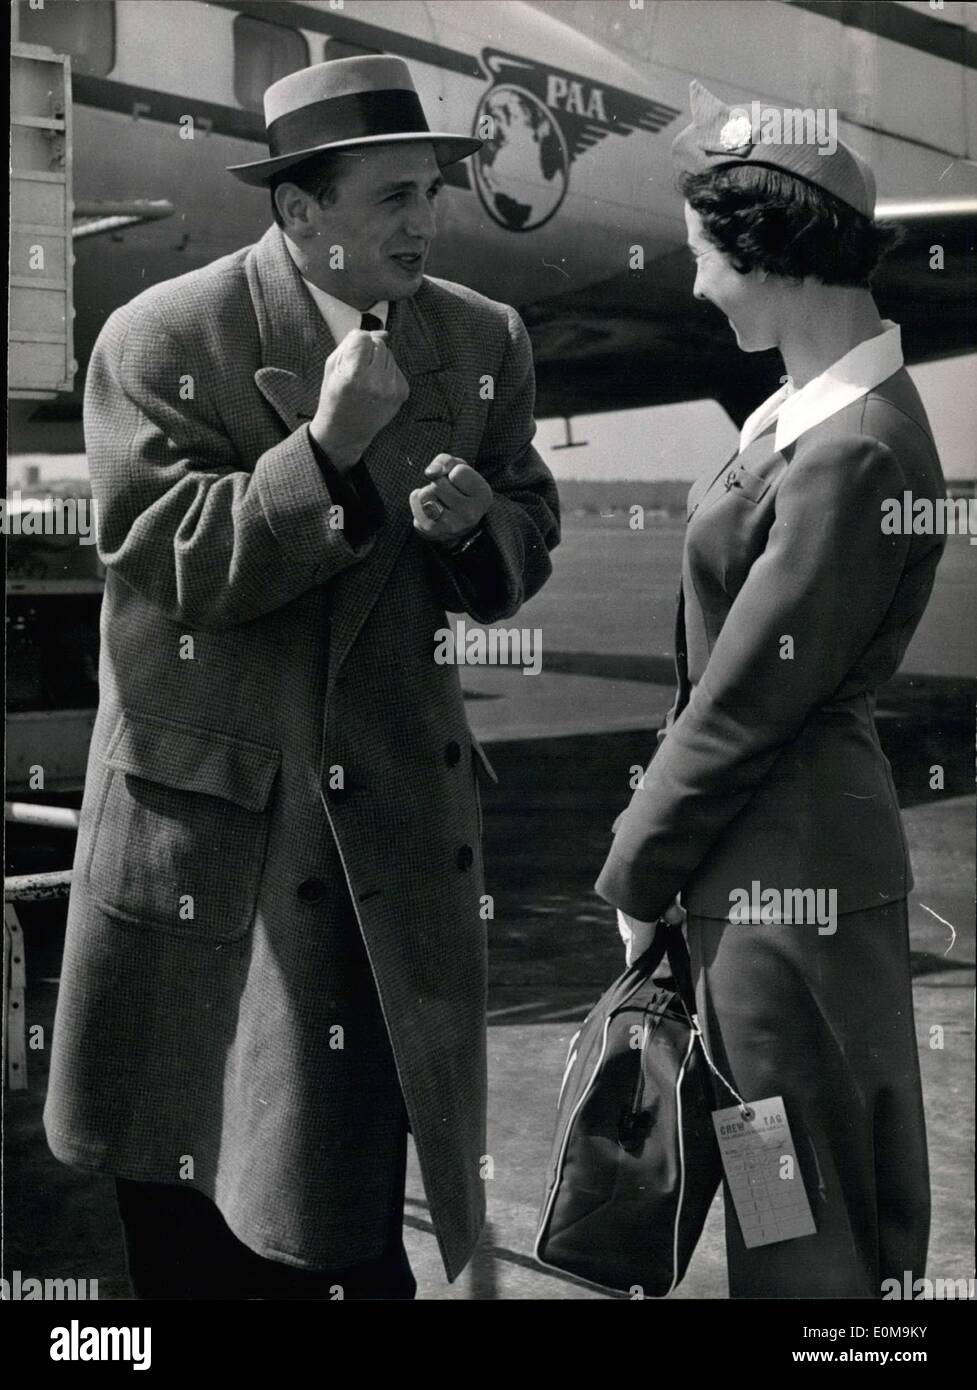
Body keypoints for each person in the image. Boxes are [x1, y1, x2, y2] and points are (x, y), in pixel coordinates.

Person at [44, 55, 559, 1300]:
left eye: (430, 190)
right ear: (298, 214)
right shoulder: (163, 336)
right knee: (184, 1219)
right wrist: (325, 452)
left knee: (340, 1223)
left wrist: (479, 525)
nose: (424, 222)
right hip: (206, 854)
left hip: (379, 857)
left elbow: (527, 531)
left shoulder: (480, 338)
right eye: (391, 197)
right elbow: (167, 559)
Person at [596, 81, 943, 1298]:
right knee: (778, 1194)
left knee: (810, 1226)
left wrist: (637, 867)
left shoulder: (851, 448)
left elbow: (745, 698)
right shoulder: (809, 420)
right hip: (757, 882)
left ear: (767, 249)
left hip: (787, 896)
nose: (695, 287)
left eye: (705, 258)